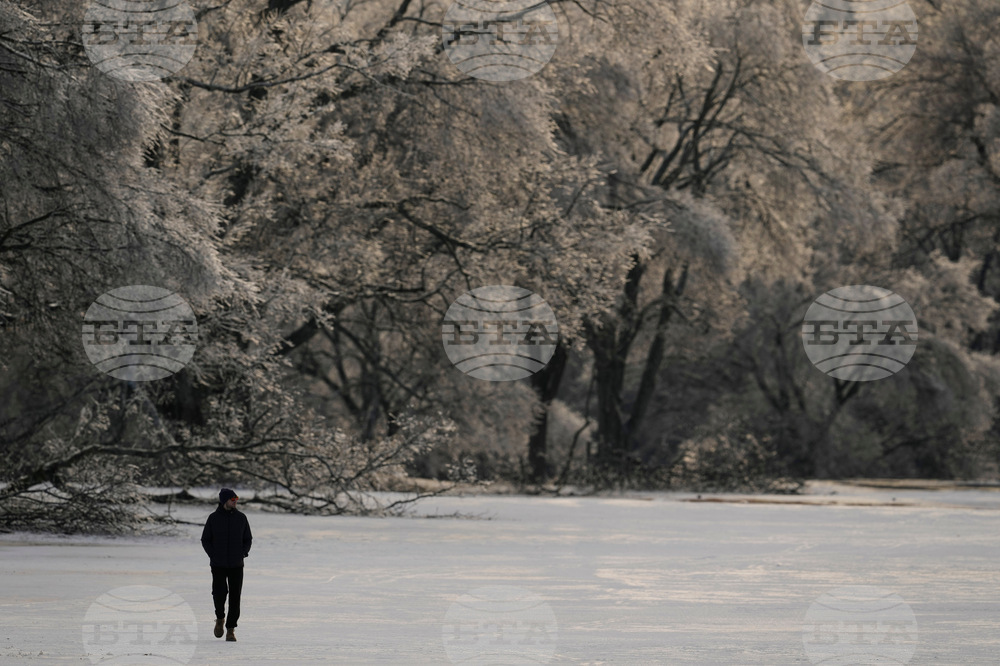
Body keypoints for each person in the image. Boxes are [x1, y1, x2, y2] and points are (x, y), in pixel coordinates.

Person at [201, 488, 252, 642]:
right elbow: (205, 539)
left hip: (237, 564)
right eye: (232, 499)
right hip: (218, 564)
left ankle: (231, 629)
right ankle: (220, 618)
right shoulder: (213, 518)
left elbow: (248, 539)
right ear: (225, 501)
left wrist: (243, 552)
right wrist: (213, 555)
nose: (235, 502)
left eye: (236, 499)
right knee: (219, 593)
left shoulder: (241, 518)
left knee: (235, 597)